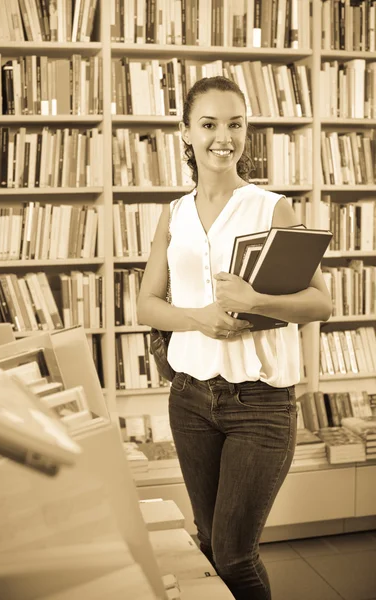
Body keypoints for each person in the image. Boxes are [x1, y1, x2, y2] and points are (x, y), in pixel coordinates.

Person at [136, 76, 332, 600]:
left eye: (235, 124)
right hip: (190, 398)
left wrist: (257, 302)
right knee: (207, 544)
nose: (224, 137)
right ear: (185, 133)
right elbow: (146, 305)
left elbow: (322, 302)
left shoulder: (271, 208)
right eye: (209, 124)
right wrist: (199, 318)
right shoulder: (173, 214)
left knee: (234, 556)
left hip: (261, 405)